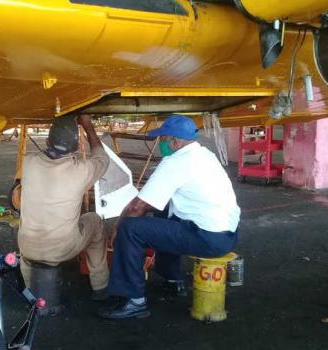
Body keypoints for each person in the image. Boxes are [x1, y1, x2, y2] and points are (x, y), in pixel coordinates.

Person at [99, 115, 240, 319]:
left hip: (208, 238)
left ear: (175, 142)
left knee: (131, 228)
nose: (161, 143)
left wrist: (117, 227)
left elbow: (138, 206)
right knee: (163, 210)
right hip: (228, 234)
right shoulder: (204, 154)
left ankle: (133, 301)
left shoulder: (176, 162)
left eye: (163, 139)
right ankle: (173, 280)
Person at [18, 114, 110, 306]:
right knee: (94, 220)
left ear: (47, 140)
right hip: (63, 249)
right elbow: (102, 158)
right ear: (76, 148)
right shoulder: (81, 171)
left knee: (28, 249)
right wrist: (87, 126)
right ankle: (100, 286)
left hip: (27, 248)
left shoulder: (28, 162)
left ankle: (29, 291)